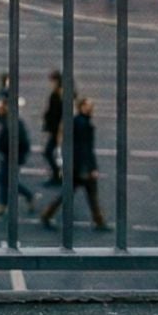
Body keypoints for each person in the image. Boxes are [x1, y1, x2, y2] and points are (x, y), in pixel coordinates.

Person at [39, 96, 109, 230]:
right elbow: (84, 148)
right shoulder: (83, 124)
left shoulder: (78, 121)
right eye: (88, 105)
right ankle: (99, 221)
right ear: (81, 107)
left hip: (76, 166)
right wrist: (90, 168)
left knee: (71, 194)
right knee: (90, 195)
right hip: (81, 167)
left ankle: (47, 215)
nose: (91, 108)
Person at [0, 100, 37, 217]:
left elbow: (17, 141)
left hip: (12, 156)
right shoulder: (5, 120)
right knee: (5, 180)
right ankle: (5, 204)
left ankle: (26, 197)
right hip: (8, 155)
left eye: (0, 108)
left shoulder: (12, 122)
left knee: (5, 180)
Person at [40, 71, 65, 185]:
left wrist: (60, 130)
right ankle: (58, 175)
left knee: (48, 152)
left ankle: (57, 175)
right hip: (55, 129)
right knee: (50, 152)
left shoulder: (59, 94)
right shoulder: (57, 93)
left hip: (57, 129)